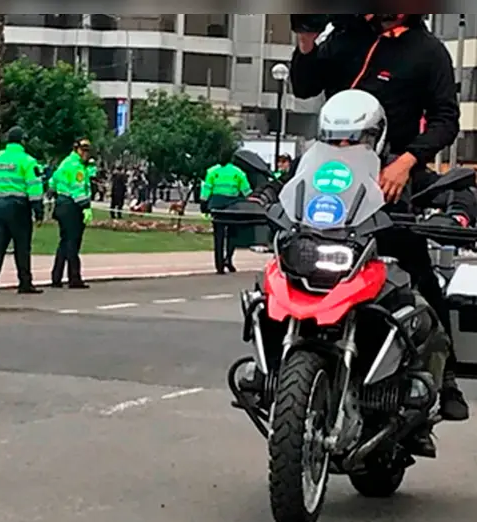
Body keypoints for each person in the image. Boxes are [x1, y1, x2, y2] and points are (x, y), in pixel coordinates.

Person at [289, 12, 472, 425]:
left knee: (416, 272)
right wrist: (306, 39)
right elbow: (304, 87)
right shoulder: (344, 38)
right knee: (292, 255)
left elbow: (447, 120)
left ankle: (445, 379)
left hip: (394, 176)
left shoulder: (428, 51)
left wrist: (407, 162)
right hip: (331, 177)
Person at [0, 126, 44, 294]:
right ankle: (25, 283)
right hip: (19, 208)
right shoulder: (28, 161)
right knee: (22, 247)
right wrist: (38, 210)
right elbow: (34, 187)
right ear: (22, 141)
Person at [50, 139, 93, 289]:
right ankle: (74, 277)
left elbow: (52, 182)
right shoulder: (77, 168)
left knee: (64, 241)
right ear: (78, 150)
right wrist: (85, 207)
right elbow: (78, 190)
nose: (86, 154)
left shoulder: (65, 163)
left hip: (61, 203)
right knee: (73, 242)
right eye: (84, 151)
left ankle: (56, 277)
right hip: (72, 206)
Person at [200, 154, 251, 274]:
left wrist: (203, 204)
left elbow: (206, 189)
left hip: (216, 206)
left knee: (219, 237)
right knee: (232, 235)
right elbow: (246, 191)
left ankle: (219, 266)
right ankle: (228, 258)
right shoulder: (238, 172)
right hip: (232, 206)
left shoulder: (212, 171)